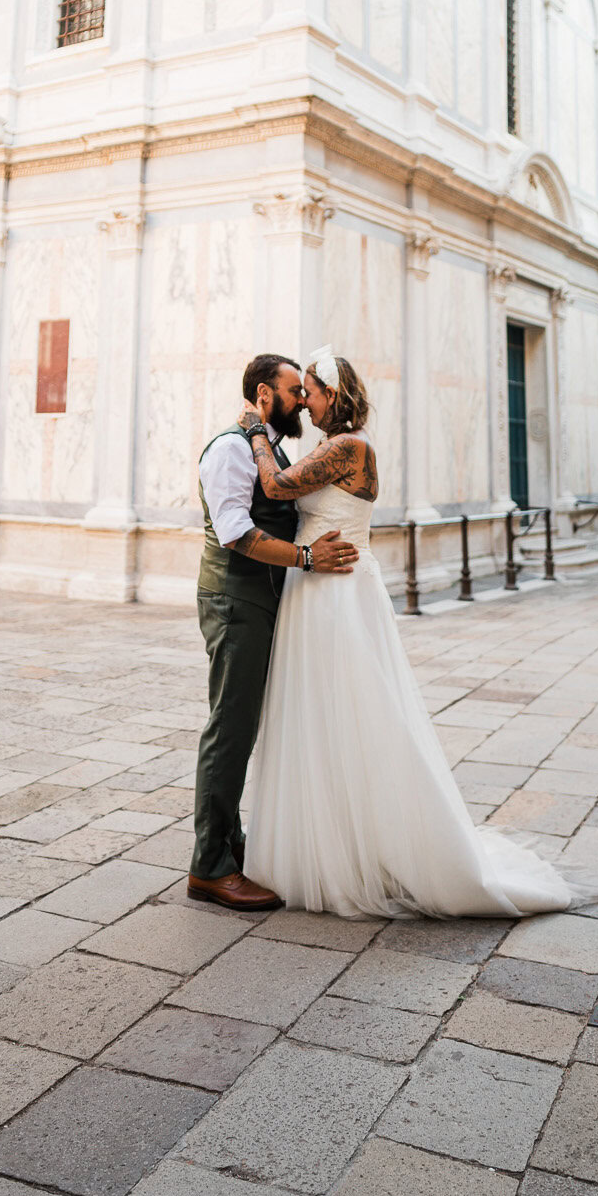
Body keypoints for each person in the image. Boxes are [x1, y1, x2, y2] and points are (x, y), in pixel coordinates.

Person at [236, 347, 578, 920]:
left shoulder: (350, 446)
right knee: (317, 715)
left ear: (334, 396)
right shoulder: (326, 445)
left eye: (311, 392)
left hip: (338, 593)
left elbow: (275, 489)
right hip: (316, 586)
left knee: (356, 711)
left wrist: (253, 432)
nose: (304, 401)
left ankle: (372, 846)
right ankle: (329, 839)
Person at [188, 355, 358, 911]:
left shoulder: (268, 447)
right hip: (236, 600)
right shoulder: (231, 448)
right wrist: (307, 557)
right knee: (230, 730)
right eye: (293, 391)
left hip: (261, 600)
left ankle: (229, 845)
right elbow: (237, 533)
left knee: (244, 728)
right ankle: (210, 868)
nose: (302, 402)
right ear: (264, 394)